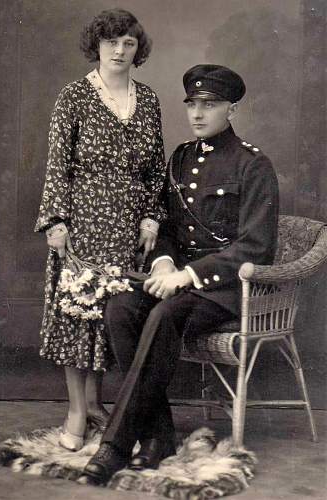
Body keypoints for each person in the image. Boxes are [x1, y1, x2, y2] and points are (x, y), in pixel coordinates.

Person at [81, 64, 279, 483]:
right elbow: (169, 229)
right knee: (119, 308)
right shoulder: (182, 158)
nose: (198, 113)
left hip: (222, 288)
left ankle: (116, 445)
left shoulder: (252, 164)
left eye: (210, 105)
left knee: (164, 314)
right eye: (192, 103)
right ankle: (157, 438)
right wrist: (164, 262)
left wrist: (187, 277)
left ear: (232, 109)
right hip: (179, 278)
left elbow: (255, 245)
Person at [35, 8, 166, 451]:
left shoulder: (147, 100)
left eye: (128, 42)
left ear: (137, 48)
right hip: (83, 222)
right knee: (78, 316)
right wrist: (55, 221)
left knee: (111, 319)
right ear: (97, 45)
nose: (119, 50)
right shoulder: (73, 96)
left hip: (128, 228)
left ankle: (96, 405)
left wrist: (151, 216)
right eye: (111, 41)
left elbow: (155, 170)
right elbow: (57, 164)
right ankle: (76, 410)